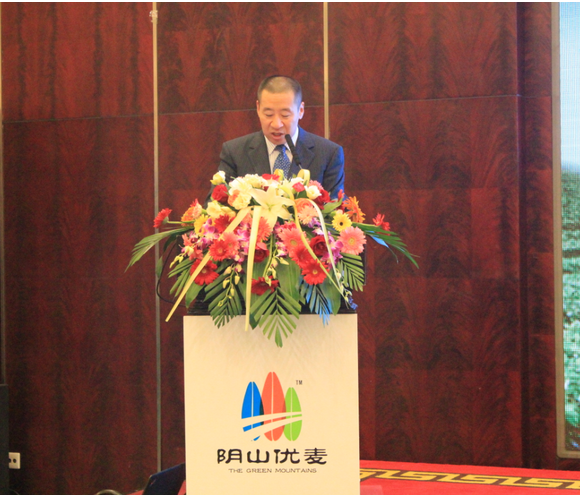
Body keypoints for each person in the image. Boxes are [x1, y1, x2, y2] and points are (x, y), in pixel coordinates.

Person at [214, 75, 345, 199]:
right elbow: (214, 206)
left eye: (285, 115)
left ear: (301, 110)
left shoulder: (328, 154)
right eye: (269, 114)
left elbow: (337, 208)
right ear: (258, 109)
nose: (276, 124)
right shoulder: (235, 152)